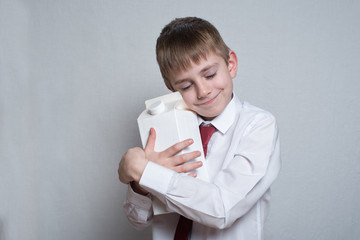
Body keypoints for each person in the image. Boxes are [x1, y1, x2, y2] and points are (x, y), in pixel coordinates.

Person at [118, 17, 281, 240]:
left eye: (210, 74)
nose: (203, 91)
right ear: (171, 88)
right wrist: (140, 186)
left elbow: (222, 210)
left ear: (230, 64)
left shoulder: (258, 126)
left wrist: (144, 170)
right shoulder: (166, 128)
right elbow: (137, 220)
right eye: (186, 85)